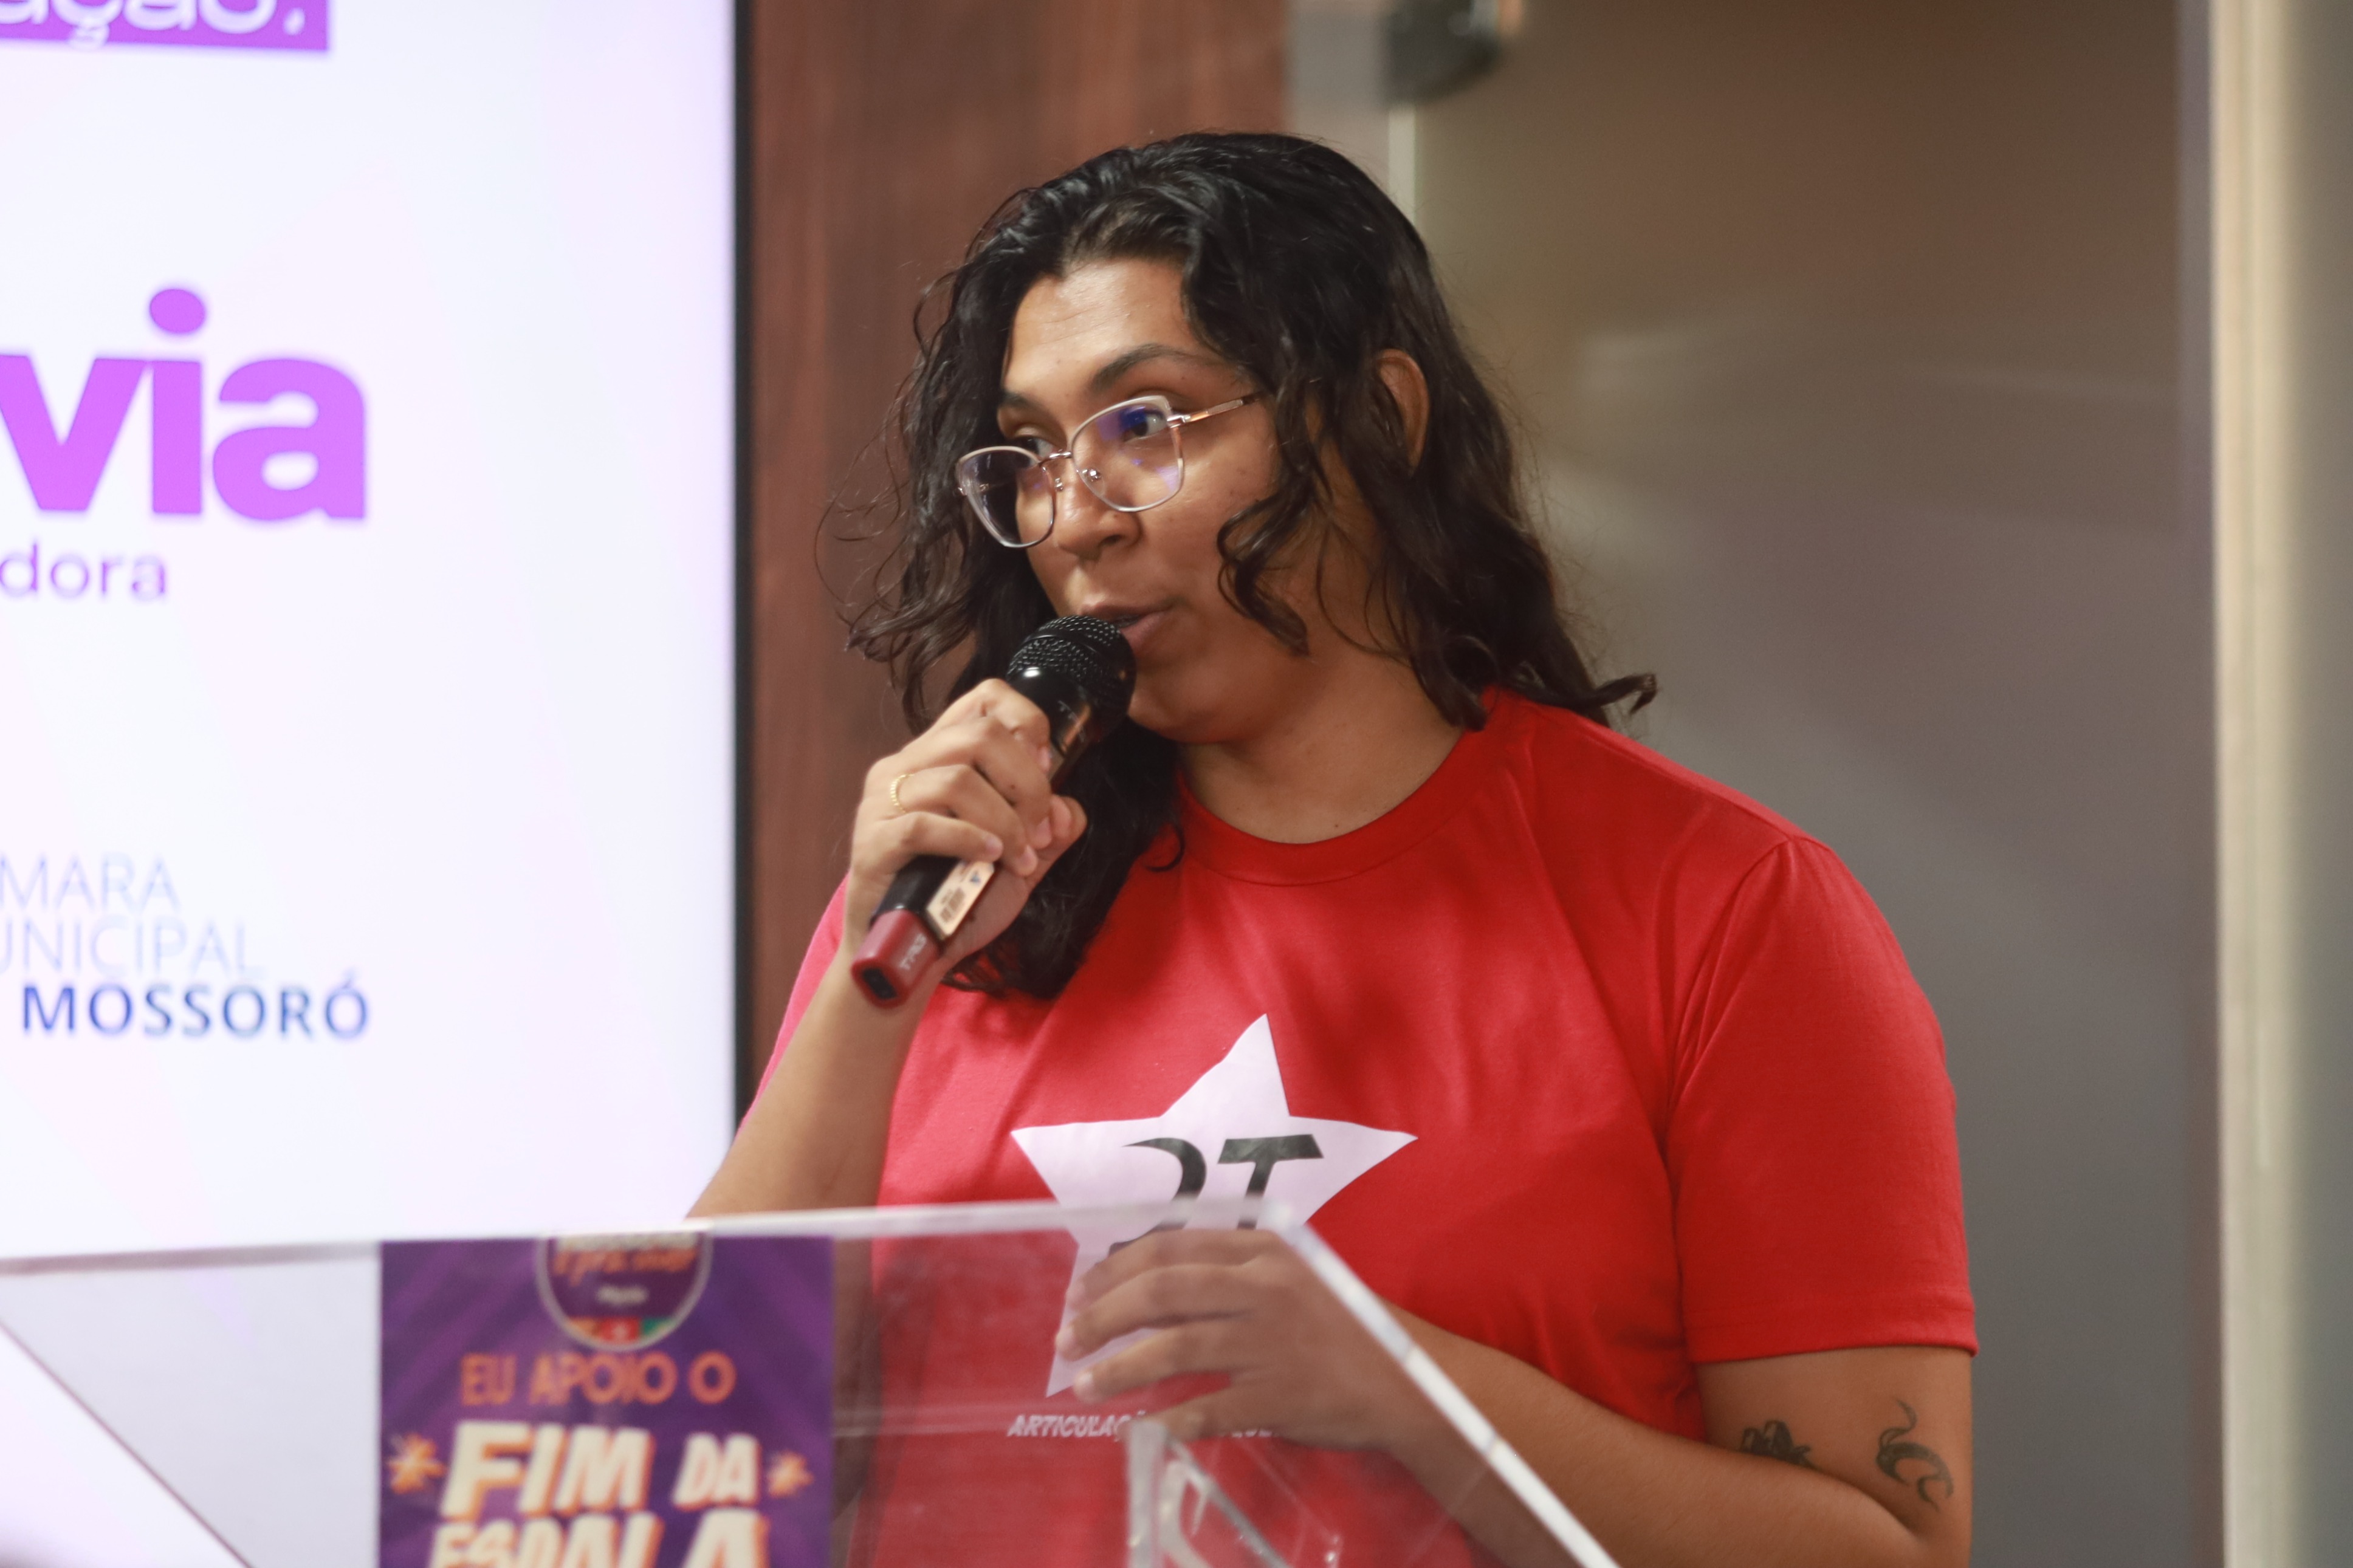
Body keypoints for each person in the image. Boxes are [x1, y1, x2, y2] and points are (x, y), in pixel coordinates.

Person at [695, 131, 1974, 1568]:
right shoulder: (954, 902)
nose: (1074, 519)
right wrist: (870, 995)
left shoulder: (1725, 912)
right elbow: (682, 1457)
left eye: (1143, 425)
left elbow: (1888, 1552)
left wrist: (1416, 1390)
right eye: (1034, 454)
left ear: (1376, 417)